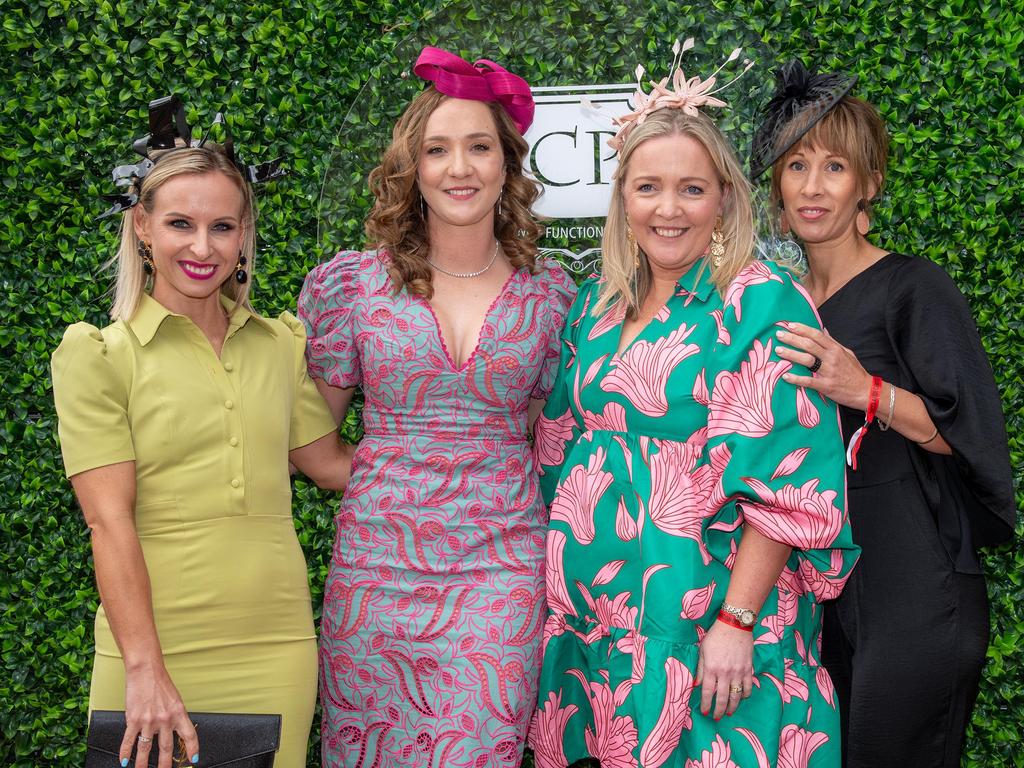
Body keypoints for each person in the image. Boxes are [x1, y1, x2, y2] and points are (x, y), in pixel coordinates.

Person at [528, 47, 859, 768]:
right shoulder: (596, 307)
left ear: (724, 198)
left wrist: (736, 621)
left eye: (691, 189)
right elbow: (558, 449)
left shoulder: (759, 303)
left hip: (709, 629)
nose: (668, 209)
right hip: (599, 630)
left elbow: (787, 482)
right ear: (623, 201)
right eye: (648, 188)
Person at [51, 96, 350, 768]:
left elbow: (331, 465)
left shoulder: (279, 346)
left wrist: (466, 446)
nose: (202, 246)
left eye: (223, 226)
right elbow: (109, 525)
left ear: (244, 234)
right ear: (143, 227)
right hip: (153, 650)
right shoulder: (99, 355)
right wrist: (144, 670)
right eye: (180, 223)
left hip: (277, 649)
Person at [298, 47, 576, 767]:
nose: (460, 168)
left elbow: (542, 435)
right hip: (375, 579)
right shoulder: (354, 287)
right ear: (412, 168)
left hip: (500, 574)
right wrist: (396, 476)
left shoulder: (552, 297)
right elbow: (311, 442)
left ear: (507, 164)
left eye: (479, 147)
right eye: (438, 149)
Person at [750, 61, 1016, 768]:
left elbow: (968, 435)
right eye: (797, 164)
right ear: (776, 183)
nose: (812, 185)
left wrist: (864, 388)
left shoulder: (913, 287)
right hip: (817, 587)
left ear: (867, 184)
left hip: (914, 576)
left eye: (835, 166)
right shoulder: (774, 300)